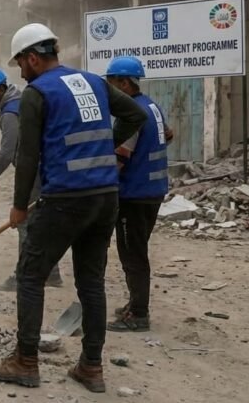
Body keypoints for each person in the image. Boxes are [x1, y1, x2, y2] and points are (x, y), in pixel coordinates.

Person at [0, 24, 147, 394]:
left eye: (20, 64)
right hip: (105, 195)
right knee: (91, 281)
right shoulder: (93, 81)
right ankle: (91, 367)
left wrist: (19, 206)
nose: (20, 73)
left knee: (30, 275)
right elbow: (135, 116)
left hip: (64, 199)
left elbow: (27, 156)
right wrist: (104, 148)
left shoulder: (37, 92)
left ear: (32, 58)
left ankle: (25, 361)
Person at [0, 67, 63, 290]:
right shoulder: (21, 100)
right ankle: (52, 274)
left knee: (25, 223)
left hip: (35, 172)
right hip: (47, 168)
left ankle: (24, 275)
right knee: (42, 222)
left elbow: (8, 151)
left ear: (0, 89)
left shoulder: (10, 112)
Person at [103, 56, 172, 333]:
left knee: (133, 254)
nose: (109, 91)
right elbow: (169, 135)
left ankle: (139, 314)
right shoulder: (152, 106)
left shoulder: (129, 114)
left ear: (123, 83)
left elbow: (120, 159)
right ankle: (134, 303)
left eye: (111, 84)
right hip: (153, 191)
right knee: (137, 250)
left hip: (134, 194)